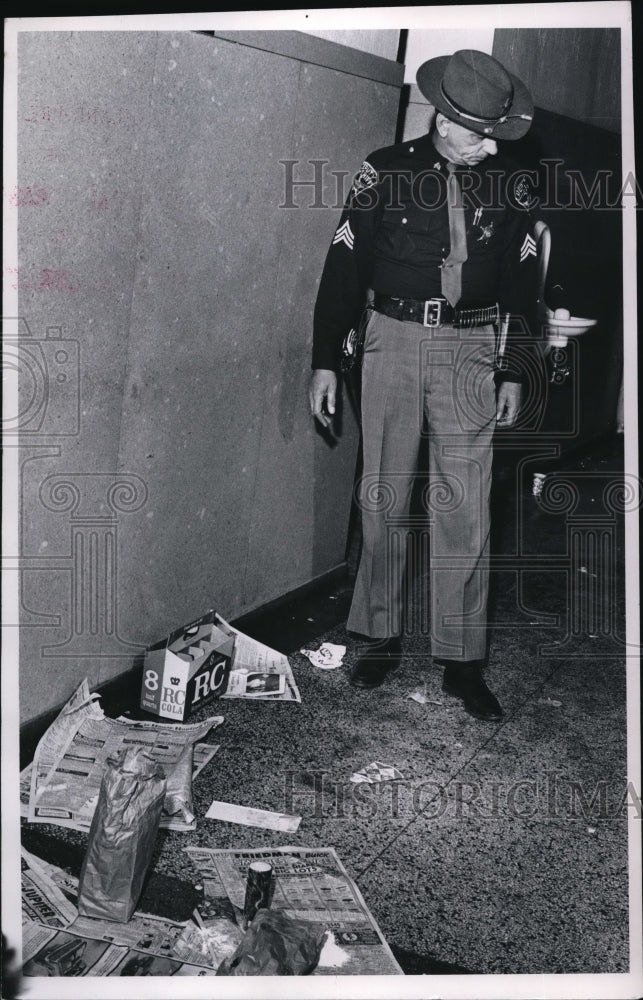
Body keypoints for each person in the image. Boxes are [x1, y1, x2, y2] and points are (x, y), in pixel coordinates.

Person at [310, 49, 549, 721]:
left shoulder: (511, 184)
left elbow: (521, 285)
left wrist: (510, 368)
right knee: (383, 493)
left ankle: (462, 659)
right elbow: (343, 267)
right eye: (476, 130)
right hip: (392, 339)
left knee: (465, 506)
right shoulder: (384, 171)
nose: (485, 144)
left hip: (472, 345)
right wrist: (325, 358)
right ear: (444, 119)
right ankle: (379, 636)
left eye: (493, 131)